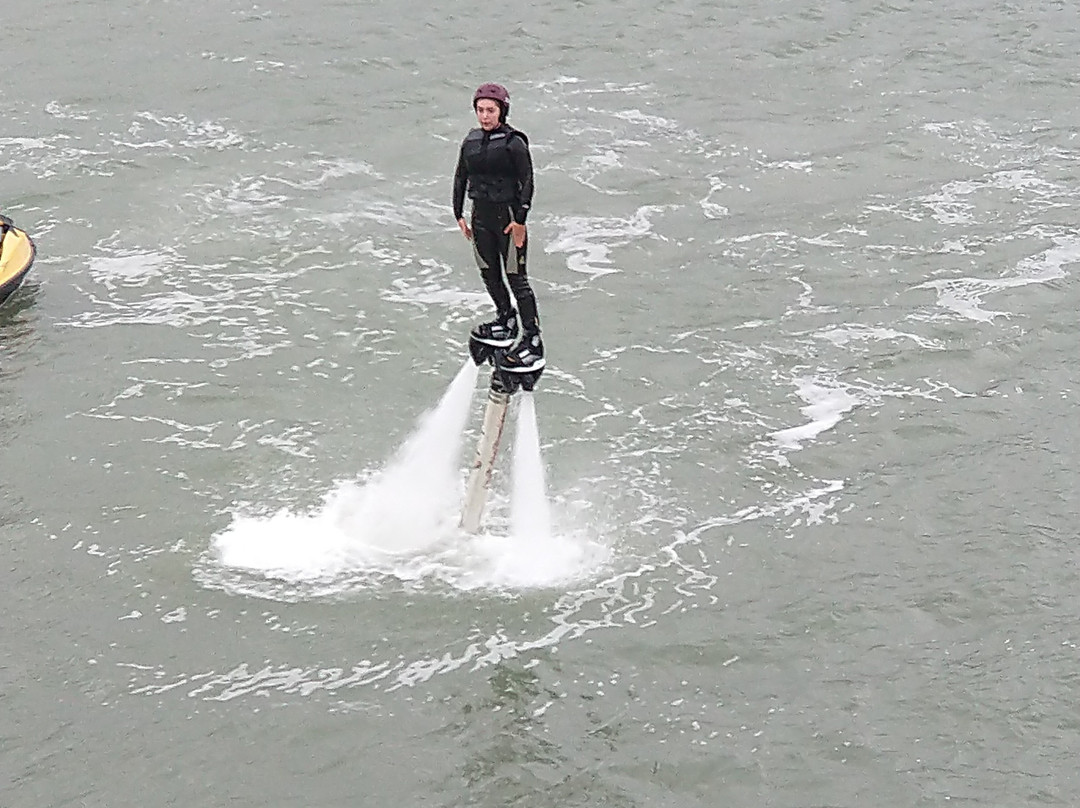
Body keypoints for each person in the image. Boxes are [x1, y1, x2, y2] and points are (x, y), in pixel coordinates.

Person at [453, 82, 545, 372]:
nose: (484, 116)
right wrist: (458, 214)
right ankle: (505, 319)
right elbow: (460, 178)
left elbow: (527, 181)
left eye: (490, 111)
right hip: (480, 217)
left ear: (501, 111)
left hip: (507, 220)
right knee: (489, 273)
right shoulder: (470, 142)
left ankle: (532, 339)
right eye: (480, 110)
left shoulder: (514, 143)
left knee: (516, 278)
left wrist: (520, 221)